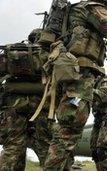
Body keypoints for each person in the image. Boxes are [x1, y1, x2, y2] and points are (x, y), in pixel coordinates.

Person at [42, 0, 107, 170]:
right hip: (80, 73)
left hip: (81, 73)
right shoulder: (91, 7)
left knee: (75, 129)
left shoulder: (79, 10)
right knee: (69, 131)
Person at [0, 29, 53, 170]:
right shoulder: (49, 55)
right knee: (46, 147)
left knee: (12, 146)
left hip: (12, 106)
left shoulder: (13, 53)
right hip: (41, 107)